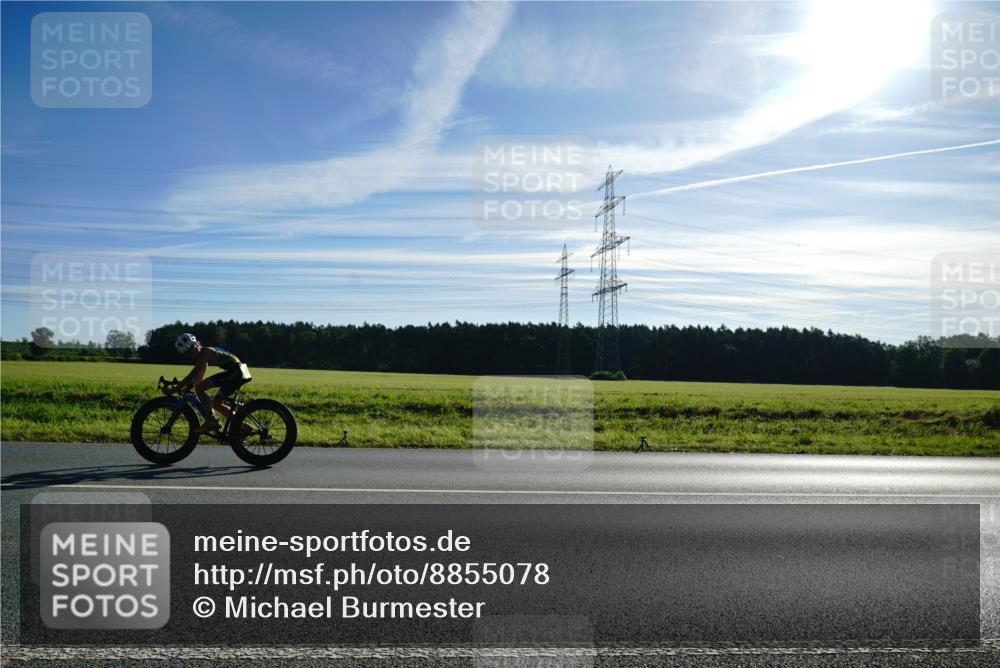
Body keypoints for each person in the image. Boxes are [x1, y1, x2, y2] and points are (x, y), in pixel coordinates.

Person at [173, 333, 252, 434]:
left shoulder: (205, 353)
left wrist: (175, 389)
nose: (193, 351)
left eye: (192, 347)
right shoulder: (202, 358)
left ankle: (212, 421)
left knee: (200, 389)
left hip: (236, 372)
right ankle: (244, 427)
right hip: (237, 371)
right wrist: (184, 386)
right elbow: (197, 380)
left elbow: (192, 376)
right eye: (188, 352)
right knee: (216, 403)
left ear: (197, 343)